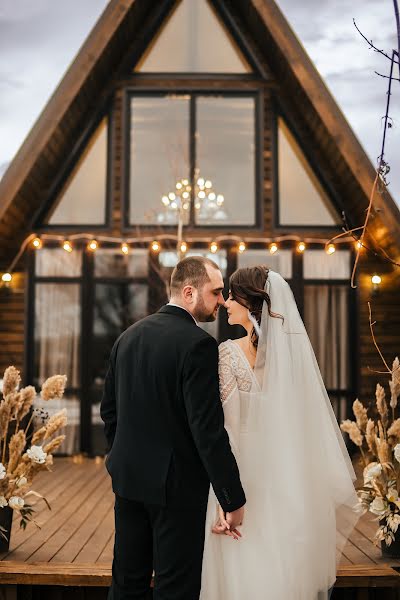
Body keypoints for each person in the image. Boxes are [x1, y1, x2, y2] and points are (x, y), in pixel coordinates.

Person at [200, 266, 360, 600]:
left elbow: (226, 430)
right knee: (281, 567)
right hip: (288, 481)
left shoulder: (227, 353)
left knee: (240, 572)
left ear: (251, 302)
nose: (226, 303)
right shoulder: (293, 358)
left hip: (244, 479)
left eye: (232, 295)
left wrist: (224, 498)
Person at [100, 256, 246, 600]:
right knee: (175, 588)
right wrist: (232, 497)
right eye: (216, 292)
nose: (222, 301)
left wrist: (120, 457)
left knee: (127, 582)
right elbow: (207, 431)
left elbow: (110, 412)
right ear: (189, 292)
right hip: (176, 489)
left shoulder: (126, 338)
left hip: (128, 480)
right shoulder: (198, 345)